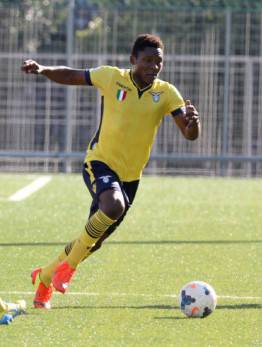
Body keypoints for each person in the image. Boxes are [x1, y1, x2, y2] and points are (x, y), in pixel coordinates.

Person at [21, 34, 201, 309]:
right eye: (147, 61)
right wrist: (43, 69)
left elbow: (189, 134)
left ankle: (45, 277)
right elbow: (72, 76)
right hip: (99, 162)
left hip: (131, 177)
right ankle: (68, 269)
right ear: (133, 60)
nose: (153, 66)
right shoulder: (111, 77)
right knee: (113, 206)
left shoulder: (166, 93)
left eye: (158, 62)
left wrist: (193, 124)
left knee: (94, 240)